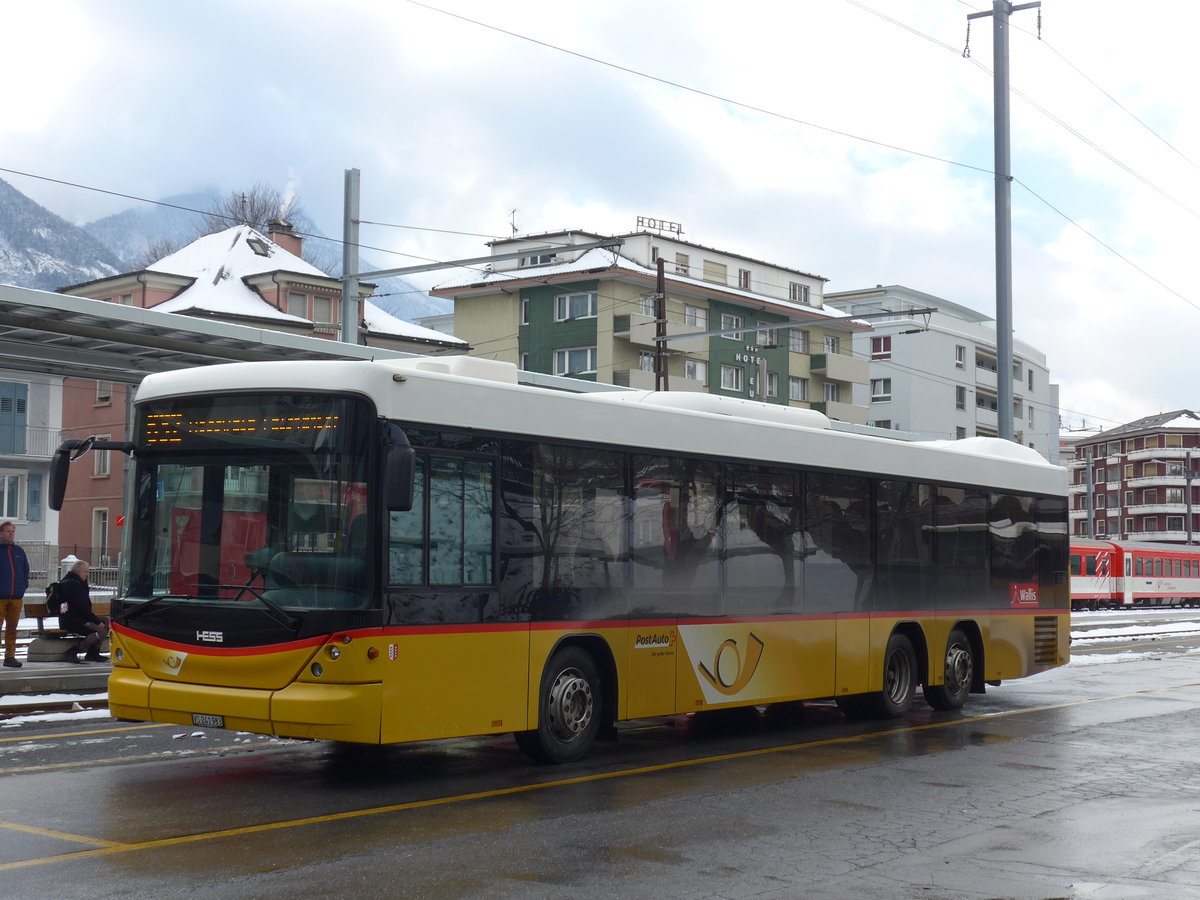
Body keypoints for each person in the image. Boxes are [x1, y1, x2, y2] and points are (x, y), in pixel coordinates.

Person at [57, 560, 109, 663]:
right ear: (77, 572)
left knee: (106, 621)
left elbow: (83, 608)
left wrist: (98, 621)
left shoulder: (76, 582)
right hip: (73, 620)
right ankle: (73, 652)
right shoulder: (73, 585)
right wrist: (97, 622)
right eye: (85, 572)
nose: (87, 575)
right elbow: (82, 609)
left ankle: (93, 653)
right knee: (100, 630)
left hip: (78, 618)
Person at [0, 520, 29, 669]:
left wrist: (23, 586)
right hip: (0, 597)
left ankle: (10, 656)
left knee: (12, 628)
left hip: (16, 597)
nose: (11, 534)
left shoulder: (19, 551)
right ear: (1, 533)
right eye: (7, 531)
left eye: (12, 531)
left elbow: (25, 570)